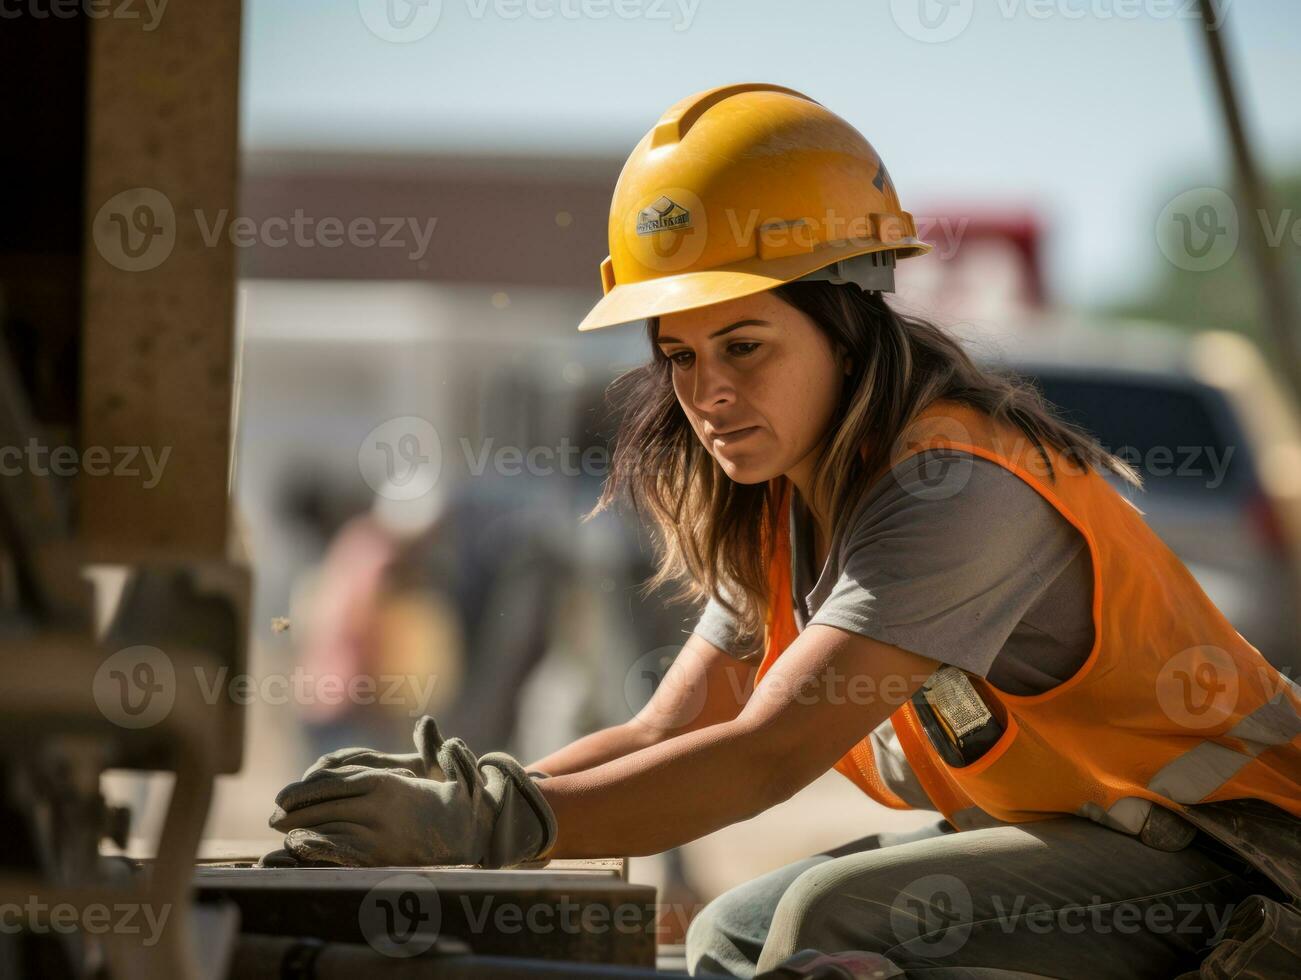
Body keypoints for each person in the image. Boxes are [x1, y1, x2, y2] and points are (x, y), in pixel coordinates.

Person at [264, 84, 1300, 978]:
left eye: (744, 344)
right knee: (734, 926)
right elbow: (662, 737)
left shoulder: (950, 491)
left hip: (1246, 862)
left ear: (845, 322)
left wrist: (482, 826)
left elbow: (761, 758)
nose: (706, 393)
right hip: (1108, 850)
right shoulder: (782, 512)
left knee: (822, 925)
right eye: (679, 354)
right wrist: (466, 808)